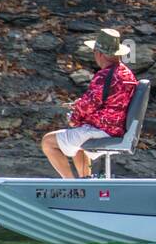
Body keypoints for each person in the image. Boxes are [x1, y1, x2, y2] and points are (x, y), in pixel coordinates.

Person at [41, 28, 137, 178]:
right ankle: (86, 183)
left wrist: (74, 119)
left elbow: (88, 105)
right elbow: (107, 101)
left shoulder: (104, 76)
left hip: (103, 130)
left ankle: (71, 186)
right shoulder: (127, 73)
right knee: (78, 143)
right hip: (117, 128)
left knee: (48, 142)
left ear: (99, 54)